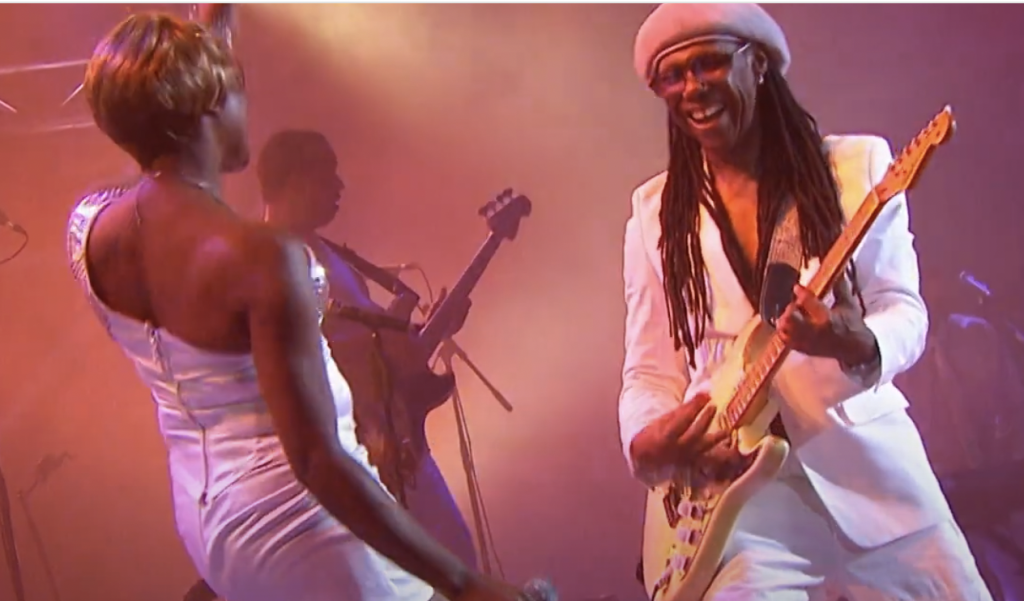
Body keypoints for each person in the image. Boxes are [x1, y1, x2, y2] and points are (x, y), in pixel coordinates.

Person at [67, 7, 520, 601]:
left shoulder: (89, 229)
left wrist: (211, 30)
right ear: (209, 104)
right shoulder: (264, 258)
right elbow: (315, 459)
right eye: (238, 89)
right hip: (308, 533)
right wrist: (462, 582)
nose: (248, 106)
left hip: (210, 525)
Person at [618, 3, 992, 599]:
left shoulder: (854, 168)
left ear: (759, 63)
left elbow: (903, 308)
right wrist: (646, 442)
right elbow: (647, 371)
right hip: (737, 505)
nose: (692, 87)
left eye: (709, 63)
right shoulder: (655, 214)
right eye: (673, 76)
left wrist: (857, 341)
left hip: (872, 479)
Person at [257, 129, 479, 568]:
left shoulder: (333, 257)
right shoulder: (266, 263)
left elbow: (384, 349)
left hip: (393, 444)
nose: (340, 187)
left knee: (454, 558)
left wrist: (432, 328)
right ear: (295, 181)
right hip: (348, 457)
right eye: (328, 175)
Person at [897, 269, 1024, 601]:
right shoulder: (894, 352)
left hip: (986, 483)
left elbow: (1013, 410)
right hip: (929, 496)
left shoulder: (974, 335)